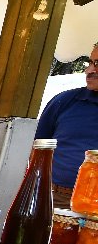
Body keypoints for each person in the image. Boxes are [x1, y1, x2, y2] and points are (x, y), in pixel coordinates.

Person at [37, 45, 98, 208]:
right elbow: (38, 148)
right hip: (57, 198)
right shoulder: (64, 101)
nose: (89, 71)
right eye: (90, 62)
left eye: (97, 64)